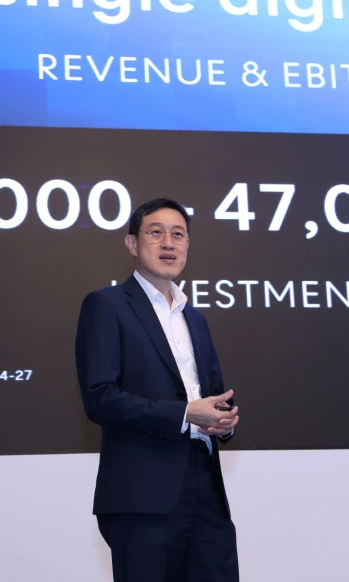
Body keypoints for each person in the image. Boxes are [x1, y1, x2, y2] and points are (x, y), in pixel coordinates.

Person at [75, 197, 240, 582]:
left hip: (206, 490)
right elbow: (100, 397)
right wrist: (185, 414)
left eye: (178, 235)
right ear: (132, 243)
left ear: (187, 246)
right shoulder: (106, 305)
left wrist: (223, 421)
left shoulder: (195, 318)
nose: (168, 243)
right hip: (142, 495)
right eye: (156, 232)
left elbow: (213, 394)